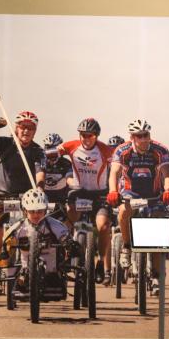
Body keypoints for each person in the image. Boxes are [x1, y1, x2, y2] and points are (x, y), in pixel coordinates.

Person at [107, 119, 169, 281]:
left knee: (156, 226)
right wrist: (113, 191)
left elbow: (167, 174)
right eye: (139, 136)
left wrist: (168, 190)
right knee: (123, 211)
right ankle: (127, 246)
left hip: (154, 192)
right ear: (132, 138)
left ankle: (157, 275)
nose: (144, 139)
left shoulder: (160, 149)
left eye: (146, 135)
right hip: (131, 191)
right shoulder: (122, 150)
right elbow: (114, 173)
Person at [0, 111, 46, 257]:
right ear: (16, 128)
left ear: (35, 131)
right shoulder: (6, 143)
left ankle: (27, 266)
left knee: (29, 234)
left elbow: (40, 171)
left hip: (27, 197)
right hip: (2, 195)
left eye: (30, 128)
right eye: (23, 127)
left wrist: (39, 188)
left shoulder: (38, 150)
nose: (26, 130)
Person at [56, 117, 114, 286]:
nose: (85, 139)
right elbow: (51, 154)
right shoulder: (71, 145)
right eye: (82, 135)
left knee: (103, 226)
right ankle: (66, 253)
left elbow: (119, 166)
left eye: (89, 135)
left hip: (100, 194)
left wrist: (116, 190)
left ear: (96, 136)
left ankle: (101, 263)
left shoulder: (105, 150)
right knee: (68, 222)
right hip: (79, 192)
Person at [2, 189, 77, 295]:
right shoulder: (20, 227)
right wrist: (6, 250)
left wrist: (67, 242)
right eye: (32, 212)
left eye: (39, 211)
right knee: (20, 279)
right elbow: (6, 239)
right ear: (25, 211)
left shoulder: (53, 224)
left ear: (45, 211)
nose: (36, 215)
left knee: (54, 280)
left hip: (51, 269)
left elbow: (63, 234)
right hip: (26, 268)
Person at [40, 132, 72, 222]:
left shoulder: (66, 163)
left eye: (54, 149)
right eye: (49, 149)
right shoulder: (40, 162)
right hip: (43, 199)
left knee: (69, 218)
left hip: (61, 200)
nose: (52, 154)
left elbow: (70, 178)